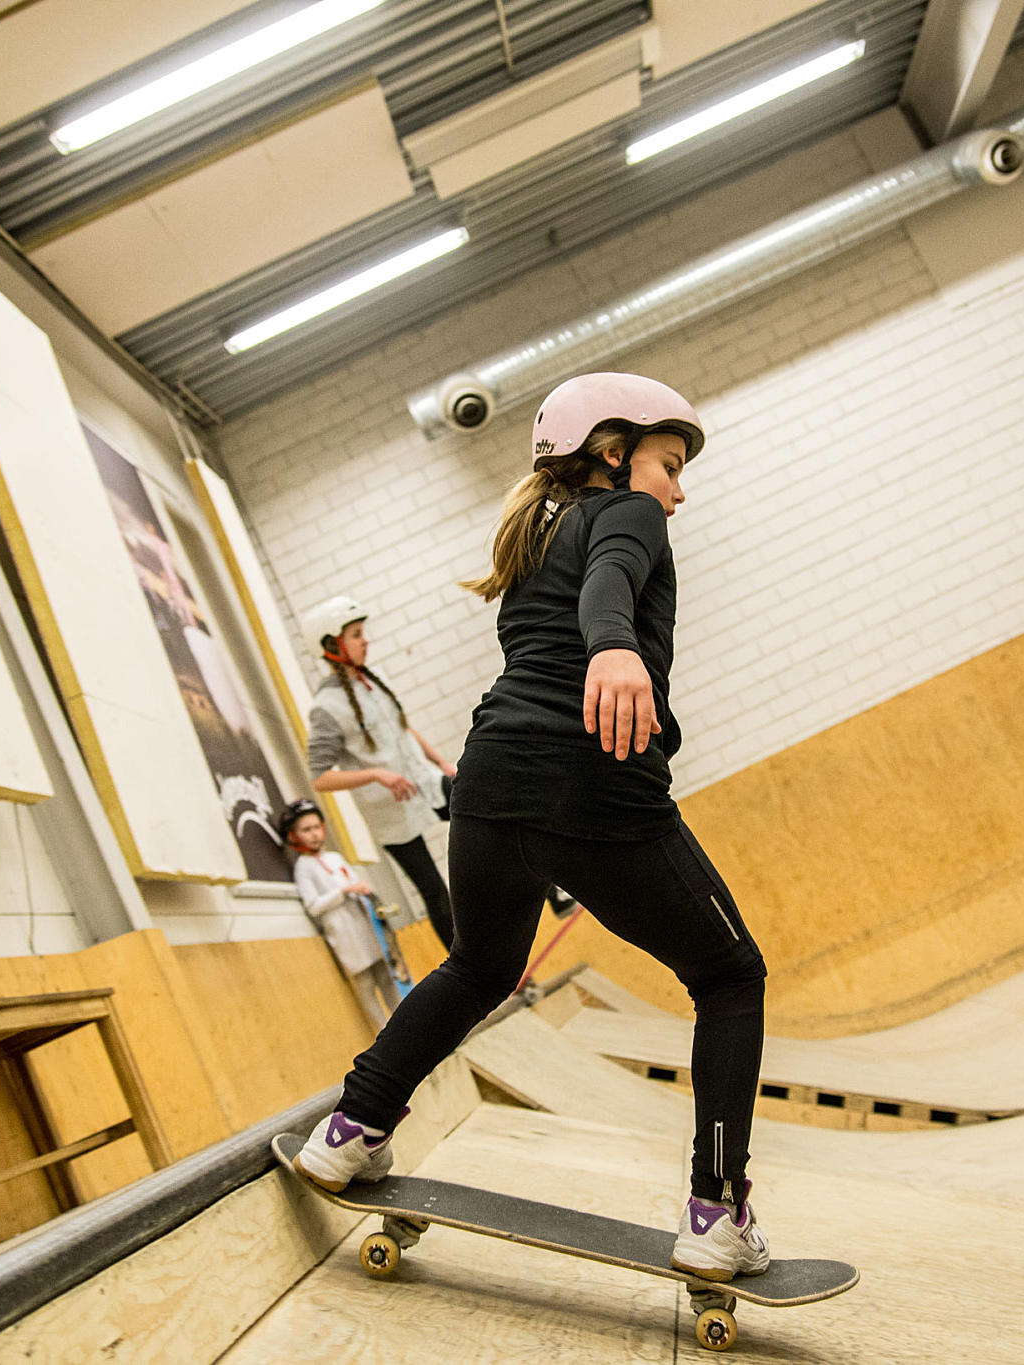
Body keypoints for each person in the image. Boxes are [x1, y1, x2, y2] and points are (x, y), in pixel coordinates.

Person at [295, 373, 771, 1281]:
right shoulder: (628, 513)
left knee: (478, 964)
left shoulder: (539, 531)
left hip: (487, 786)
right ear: (613, 451)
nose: (679, 486)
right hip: (590, 786)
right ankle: (717, 1209)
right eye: (669, 463)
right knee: (729, 972)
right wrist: (618, 646)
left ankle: (351, 1127)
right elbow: (611, 588)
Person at [303, 597, 457, 949]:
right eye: (356, 635)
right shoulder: (326, 708)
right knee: (433, 889)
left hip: (424, 784)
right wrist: (376, 774)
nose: (365, 640)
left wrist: (441, 763)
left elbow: (404, 729)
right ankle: (471, 974)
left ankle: (550, 892)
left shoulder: (376, 679)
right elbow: (320, 777)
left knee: (486, 801)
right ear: (331, 645)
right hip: (390, 810)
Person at [280, 800, 401, 1029]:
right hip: (345, 935)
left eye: (317, 827)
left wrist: (362, 890)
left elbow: (353, 882)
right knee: (366, 987)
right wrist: (342, 892)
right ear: (293, 836)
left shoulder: (335, 858)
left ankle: (405, 1027)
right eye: (306, 830)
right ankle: (384, 1036)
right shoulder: (303, 868)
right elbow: (313, 905)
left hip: (366, 928)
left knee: (387, 978)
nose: (314, 834)